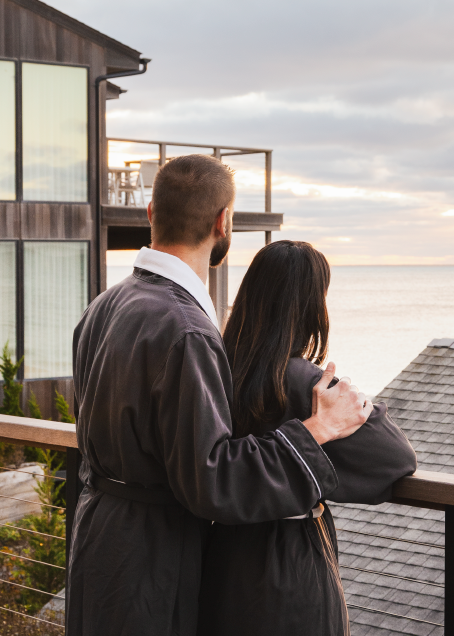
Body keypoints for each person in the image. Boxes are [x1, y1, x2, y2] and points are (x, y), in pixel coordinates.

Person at [66, 154, 372, 636]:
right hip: (152, 557)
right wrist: (318, 430)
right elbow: (211, 478)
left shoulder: (104, 306)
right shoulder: (186, 329)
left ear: (151, 213)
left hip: (97, 535)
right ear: (222, 223)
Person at [197, 241, 419, 636]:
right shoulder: (304, 385)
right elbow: (395, 459)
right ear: (311, 307)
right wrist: (348, 399)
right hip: (288, 564)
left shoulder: (215, 369)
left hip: (219, 558)